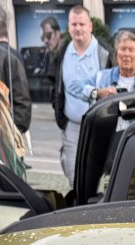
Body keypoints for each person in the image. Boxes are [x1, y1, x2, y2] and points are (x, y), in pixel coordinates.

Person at [48, 6, 108, 182]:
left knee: (98, 176)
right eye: (74, 24)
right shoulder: (63, 50)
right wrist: (60, 117)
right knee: (73, 176)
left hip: (98, 126)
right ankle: (77, 207)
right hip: (72, 127)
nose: (78, 28)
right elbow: (56, 84)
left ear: (90, 26)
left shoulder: (103, 52)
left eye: (82, 24)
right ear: (68, 27)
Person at [0, 7, 30, 134]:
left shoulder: (7, 58)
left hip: (4, 131)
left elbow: (21, 100)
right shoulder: (11, 56)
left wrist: (12, 131)